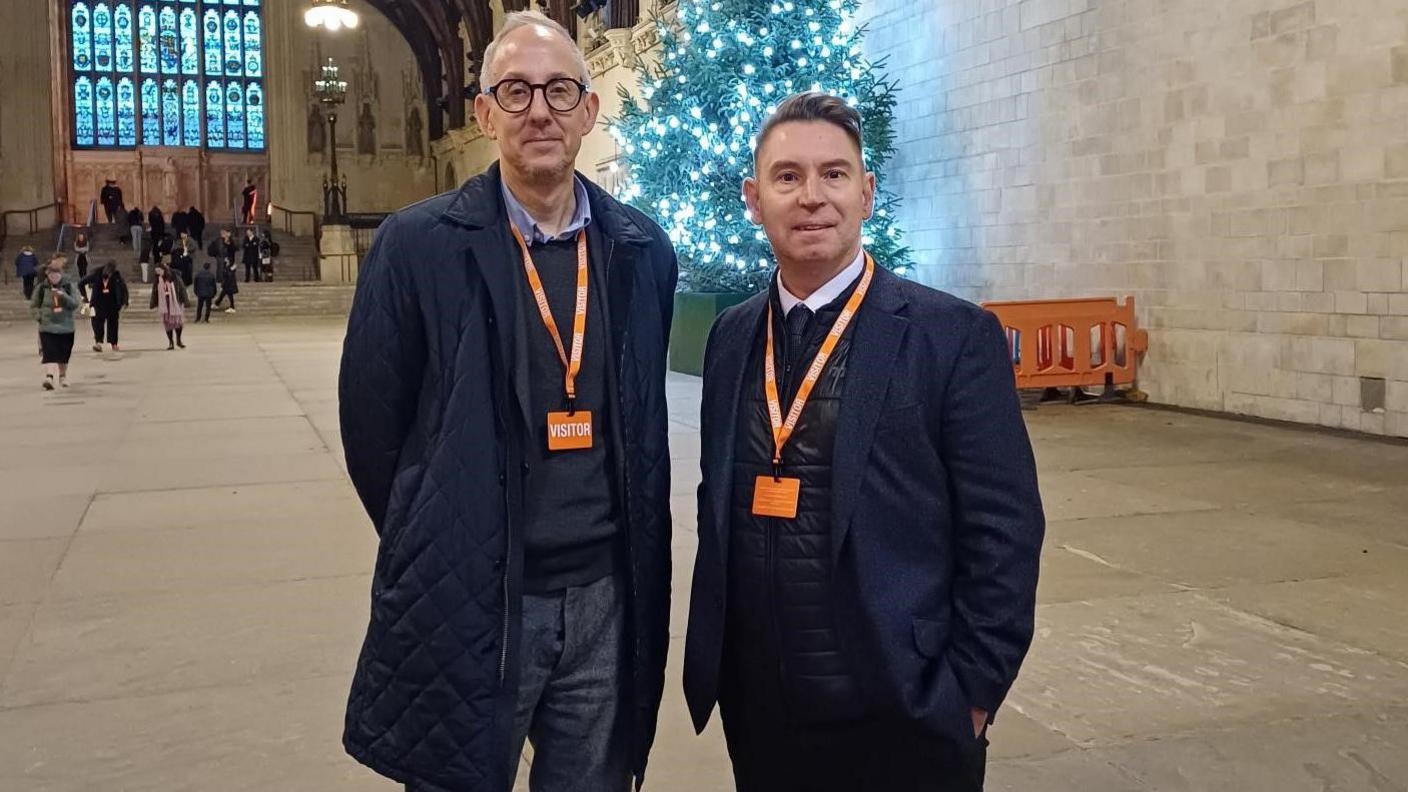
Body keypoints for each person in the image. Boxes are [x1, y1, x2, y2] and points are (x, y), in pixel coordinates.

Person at [338, 11, 678, 792]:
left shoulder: (639, 249)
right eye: (515, 91)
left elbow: (639, 420)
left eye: (560, 90)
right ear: (484, 113)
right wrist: (446, 529)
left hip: (606, 599)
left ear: (590, 111)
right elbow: (374, 433)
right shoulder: (418, 246)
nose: (539, 110)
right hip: (479, 595)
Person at [683, 93, 1046, 792]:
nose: (812, 197)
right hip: (763, 708)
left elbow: (1005, 527)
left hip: (903, 708)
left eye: (835, 174)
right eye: (787, 177)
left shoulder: (950, 335)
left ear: (867, 192)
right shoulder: (731, 337)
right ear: (753, 199)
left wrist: (968, 694)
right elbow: (715, 499)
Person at [30, 254, 80, 390]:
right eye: (51, 275)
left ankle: (63, 376)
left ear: (61, 275)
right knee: (50, 353)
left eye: (56, 275)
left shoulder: (69, 286)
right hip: (47, 326)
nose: (53, 278)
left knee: (63, 355)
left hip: (66, 327)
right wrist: (39, 316)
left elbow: (75, 304)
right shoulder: (41, 288)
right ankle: (49, 377)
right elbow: (34, 305)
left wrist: (64, 296)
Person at [79, 260, 129, 352]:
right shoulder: (96, 274)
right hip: (99, 303)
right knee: (98, 324)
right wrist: (84, 296)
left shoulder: (116, 276)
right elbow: (81, 283)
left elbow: (123, 289)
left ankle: (114, 344)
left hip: (113, 304)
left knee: (113, 324)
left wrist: (125, 301)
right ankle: (98, 343)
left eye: (111, 273)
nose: (109, 275)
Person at [149, 263, 188, 349]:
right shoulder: (158, 280)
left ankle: (178, 339)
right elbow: (154, 292)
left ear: (164, 270)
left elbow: (182, 288)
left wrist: (184, 300)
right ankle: (171, 342)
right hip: (164, 303)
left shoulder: (174, 278)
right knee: (168, 324)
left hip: (175, 301)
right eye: (157, 271)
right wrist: (153, 302)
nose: (158, 273)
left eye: (159, 271)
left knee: (178, 322)